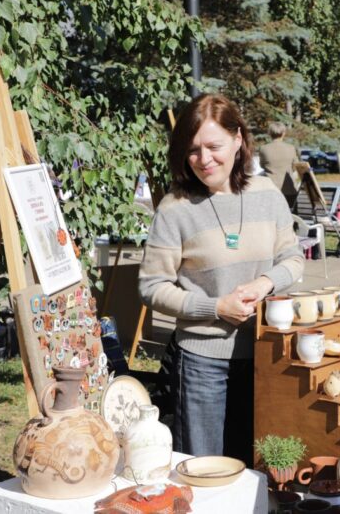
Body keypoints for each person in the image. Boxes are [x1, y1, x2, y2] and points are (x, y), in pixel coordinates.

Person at [138, 94, 304, 466]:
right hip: (200, 365)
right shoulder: (175, 208)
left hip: (265, 358)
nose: (204, 159)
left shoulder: (268, 196)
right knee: (203, 471)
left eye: (213, 146)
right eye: (193, 150)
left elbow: (293, 259)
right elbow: (151, 286)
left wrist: (265, 283)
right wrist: (215, 307)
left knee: (254, 471)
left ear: (238, 140)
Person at [257, 121, 300, 206]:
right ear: (283, 133)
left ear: (269, 133)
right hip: (289, 189)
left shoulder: (263, 149)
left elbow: (262, 165)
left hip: (270, 189)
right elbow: (295, 167)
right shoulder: (291, 148)